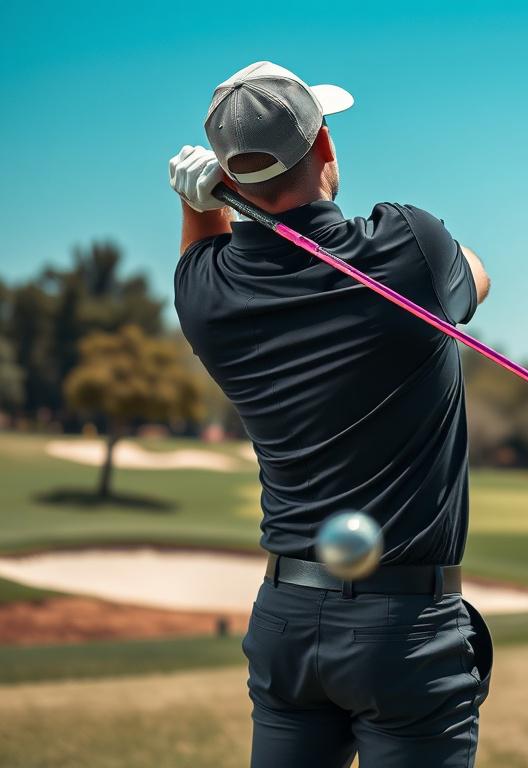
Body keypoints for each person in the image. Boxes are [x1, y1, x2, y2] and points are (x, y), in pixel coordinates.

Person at [168, 61, 493, 768]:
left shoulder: (206, 300)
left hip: (286, 624)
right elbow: (479, 275)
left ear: (227, 177)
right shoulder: (409, 246)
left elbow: (204, 249)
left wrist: (202, 203)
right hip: (405, 632)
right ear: (324, 150)